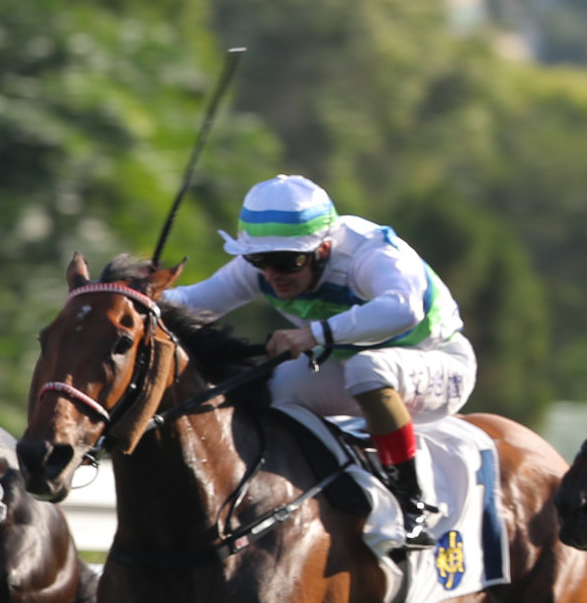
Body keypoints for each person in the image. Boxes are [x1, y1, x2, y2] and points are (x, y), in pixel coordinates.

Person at [162, 174, 473, 546]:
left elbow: (403, 309)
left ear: (323, 249)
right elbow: (191, 303)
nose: (272, 274)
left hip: (440, 363)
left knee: (366, 368)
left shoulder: (370, 253)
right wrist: (128, 294)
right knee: (269, 390)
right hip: (349, 370)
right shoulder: (263, 269)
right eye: (259, 259)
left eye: (287, 262)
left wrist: (313, 335)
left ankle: (412, 504)